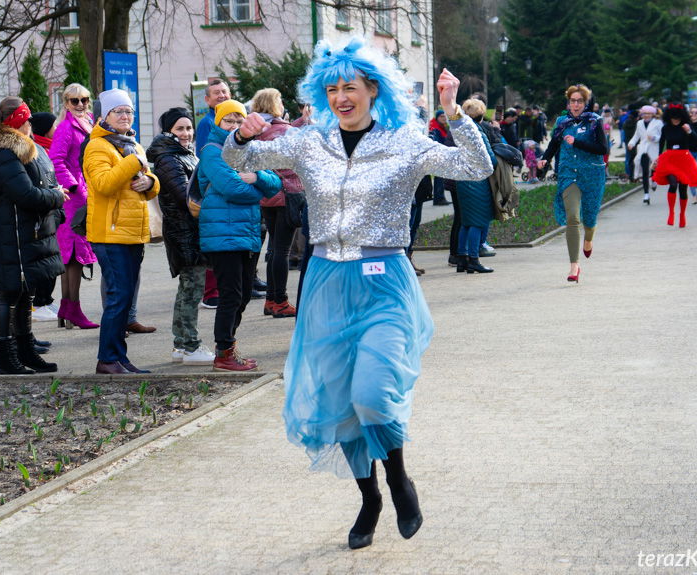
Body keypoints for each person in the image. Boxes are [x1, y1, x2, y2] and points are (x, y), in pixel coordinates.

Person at [225, 36, 492, 549]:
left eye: (350, 86)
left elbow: (475, 168)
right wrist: (242, 134)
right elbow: (241, 160)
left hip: (384, 281)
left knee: (373, 396)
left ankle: (398, 480)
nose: (340, 96)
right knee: (341, 404)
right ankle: (368, 496)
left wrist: (453, 113)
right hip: (326, 282)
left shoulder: (405, 141)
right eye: (332, 88)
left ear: (374, 89)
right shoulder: (309, 141)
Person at [0, 96, 65, 374]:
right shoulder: (5, 154)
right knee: (8, 294)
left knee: (24, 293)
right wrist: (57, 196)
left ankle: (25, 351)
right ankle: (6, 358)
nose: (31, 124)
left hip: (22, 233)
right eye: (26, 120)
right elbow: (25, 194)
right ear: (17, 124)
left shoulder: (22, 150)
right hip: (9, 235)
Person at [197, 99, 281, 371]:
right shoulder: (212, 150)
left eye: (238, 120)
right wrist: (257, 187)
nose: (234, 125)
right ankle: (223, 353)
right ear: (218, 122)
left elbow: (275, 183)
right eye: (228, 121)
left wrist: (256, 177)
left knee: (244, 294)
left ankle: (229, 346)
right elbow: (232, 188)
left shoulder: (250, 149)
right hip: (222, 233)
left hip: (247, 233)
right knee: (231, 295)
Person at [83, 89, 160, 374]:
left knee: (125, 298)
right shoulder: (97, 147)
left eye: (129, 111)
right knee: (118, 297)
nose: (126, 116)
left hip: (132, 232)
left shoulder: (131, 144)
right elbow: (103, 184)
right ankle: (107, 359)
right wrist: (135, 163)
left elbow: (149, 182)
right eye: (119, 112)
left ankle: (120, 358)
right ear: (104, 116)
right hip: (110, 234)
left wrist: (150, 183)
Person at [146, 107, 215, 365]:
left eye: (188, 128)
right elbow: (185, 195)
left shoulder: (183, 153)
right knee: (191, 290)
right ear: (168, 131)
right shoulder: (168, 158)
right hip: (183, 233)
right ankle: (190, 346)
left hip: (189, 231)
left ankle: (181, 345)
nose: (186, 133)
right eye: (180, 129)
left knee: (189, 289)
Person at [538, 84, 608, 283]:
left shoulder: (595, 121)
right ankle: (574, 266)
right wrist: (546, 158)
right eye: (572, 101)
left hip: (592, 174)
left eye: (579, 101)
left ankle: (589, 238)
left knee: (590, 218)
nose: (575, 105)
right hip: (569, 173)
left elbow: (602, 148)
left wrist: (576, 142)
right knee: (572, 218)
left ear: (586, 103)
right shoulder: (562, 122)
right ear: (568, 103)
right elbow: (553, 144)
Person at [48, 83, 100, 330]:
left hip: (84, 193)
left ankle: (67, 308)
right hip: (74, 198)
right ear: (66, 103)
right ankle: (73, 309)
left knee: (73, 257)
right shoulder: (66, 128)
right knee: (73, 256)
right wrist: (73, 187)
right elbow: (56, 160)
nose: (80, 105)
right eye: (74, 101)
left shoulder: (89, 123)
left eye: (84, 100)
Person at [250, 88, 304, 318]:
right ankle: (280, 301)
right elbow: (294, 161)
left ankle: (271, 299)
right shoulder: (283, 131)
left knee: (273, 249)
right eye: (280, 100)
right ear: (274, 104)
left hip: (267, 196)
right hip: (287, 194)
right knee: (281, 250)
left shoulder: (257, 131)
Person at [194, 79, 232, 310]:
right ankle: (211, 292)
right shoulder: (208, 122)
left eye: (225, 91)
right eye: (216, 93)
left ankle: (220, 287)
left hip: (225, 184)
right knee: (215, 240)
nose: (221, 95)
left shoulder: (234, 118)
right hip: (215, 186)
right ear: (207, 100)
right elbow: (207, 156)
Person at [453, 98, 496, 274]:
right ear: (481, 114)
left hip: (462, 181)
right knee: (478, 222)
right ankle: (474, 259)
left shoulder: (460, 130)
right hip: (477, 181)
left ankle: (461, 259)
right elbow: (490, 159)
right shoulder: (478, 131)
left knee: (466, 222)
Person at [27, 111, 61, 325]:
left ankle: (45, 300)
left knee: (51, 260)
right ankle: (38, 303)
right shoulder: (36, 151)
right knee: (43, 260)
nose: (56, 129)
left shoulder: (46, 148)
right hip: (45, 213)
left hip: (54, 210)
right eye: (53, 125)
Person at [651, 103, 697, 228]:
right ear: (669, 117)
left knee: (683, 189)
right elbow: (662, 144)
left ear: (682, 117)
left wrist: (689, 131)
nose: (676, 120)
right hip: (669, 159)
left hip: (684, 159)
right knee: (673, 184)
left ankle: (682, 215)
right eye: (673, 118)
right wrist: (658, 158)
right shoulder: (665, 128)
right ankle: (671, 213)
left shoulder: (686, 126)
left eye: (678, 118)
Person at [627, 105, 663, 205]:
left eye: (649, 113)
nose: (646, 116)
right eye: (644, 113)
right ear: (642, 114)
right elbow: (636, 136)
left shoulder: (658, 123)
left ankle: (654, 181)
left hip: (653, 148)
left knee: (654, 169)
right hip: (643, 149)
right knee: (645, 172)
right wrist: (631, 143)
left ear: (652, 114)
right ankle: (646, 194)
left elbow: (663, 136)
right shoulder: (639, 123)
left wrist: (654, 138)